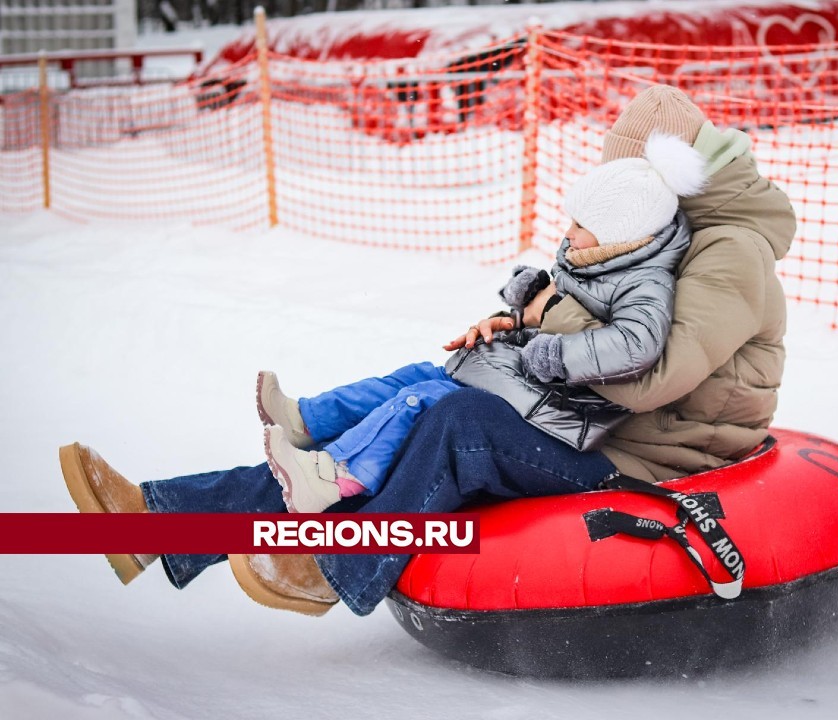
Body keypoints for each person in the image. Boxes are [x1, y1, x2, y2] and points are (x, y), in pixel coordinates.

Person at [59, 84, 795, 620]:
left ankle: (340, 572)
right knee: (413, 401)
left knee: (456, 423)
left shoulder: (727, 253)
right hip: (584, 416)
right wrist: (513, 327)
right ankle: (158, 520)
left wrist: (541, 323)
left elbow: (652, 375)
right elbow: (590, 320)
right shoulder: (664, 231)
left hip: (646, 454)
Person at [258, 134, 705, 515]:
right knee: (412, 377)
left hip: (555, 408)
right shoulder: (594, 259)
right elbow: (550, 316)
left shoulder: (644, 283)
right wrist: (513, 320)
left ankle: (334, 478)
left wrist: (555, 354)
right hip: (525, 380)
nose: (567, 233)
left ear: (619, 232)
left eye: (580, 224)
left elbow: (636, 345)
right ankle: (307, 419)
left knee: (425, 399)